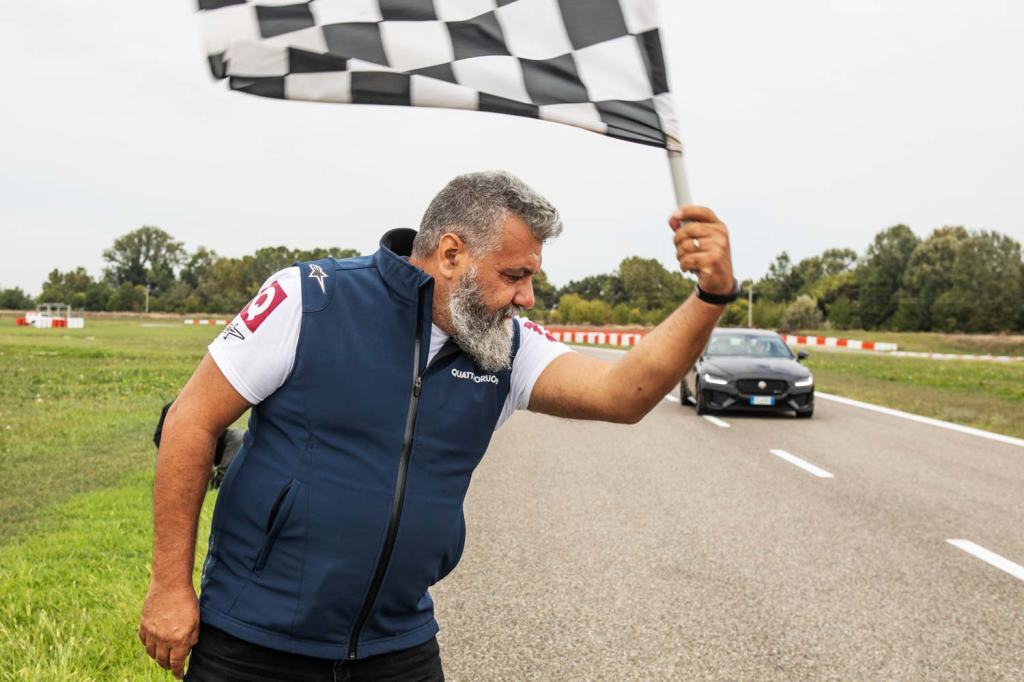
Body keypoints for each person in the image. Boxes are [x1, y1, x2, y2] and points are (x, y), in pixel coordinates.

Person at [139, 171, 736, 681]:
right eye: (514, 275)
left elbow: (623, 394)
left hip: (396, 645)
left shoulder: (508, 348)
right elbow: (192, 421)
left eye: (532, 277)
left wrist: (711, 295)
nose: (527, 297)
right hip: (255, 639)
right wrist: (169, 587)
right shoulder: (309, 299)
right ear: (451, 254)